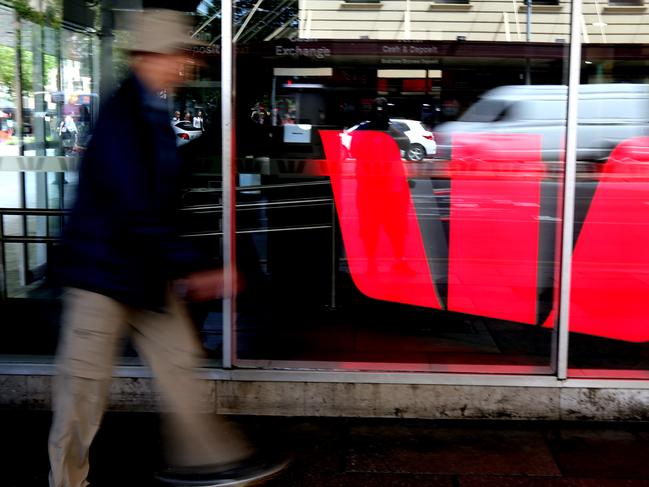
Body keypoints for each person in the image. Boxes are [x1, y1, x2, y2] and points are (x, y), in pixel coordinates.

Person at [47, 9, 288, 487]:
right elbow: (134, 207)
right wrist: (193, 268)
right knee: (81, 397)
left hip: (142, 273)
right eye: (175, 57)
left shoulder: (152, 110)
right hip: (101, 276)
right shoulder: (123, 117)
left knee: (180, 367)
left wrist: (189, 263)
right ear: (146, 58)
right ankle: (66, 482)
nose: (184, 66)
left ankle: (210, 461)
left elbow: (158, 201)